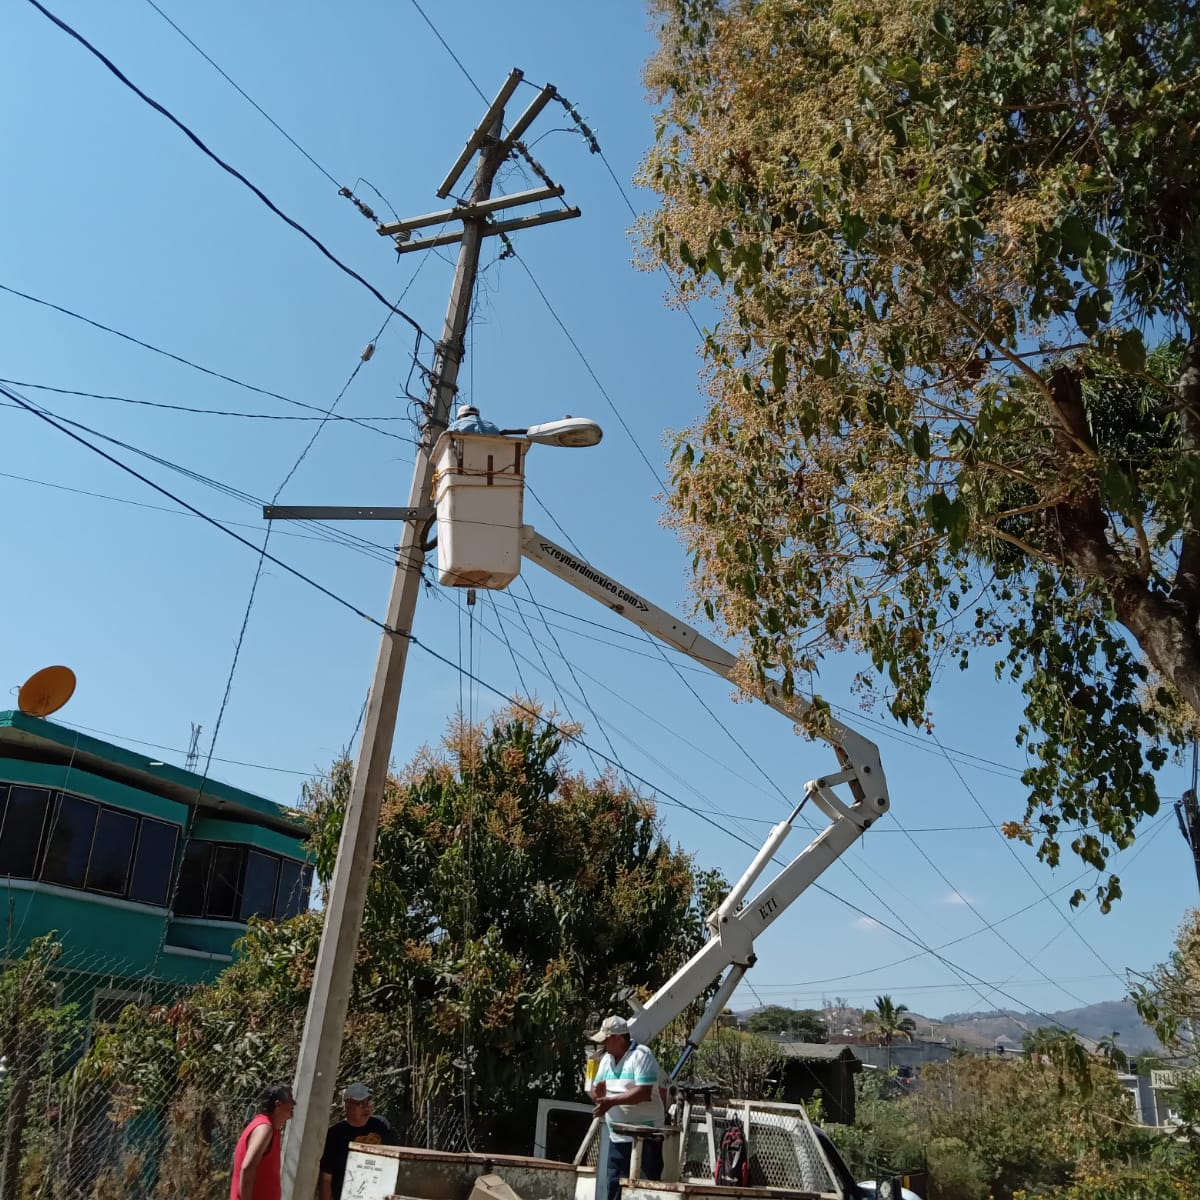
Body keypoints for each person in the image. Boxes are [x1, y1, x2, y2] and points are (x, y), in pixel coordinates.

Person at [588, 1015, 665, 1200]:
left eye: (606, 1040)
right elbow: (596, 1091)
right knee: (614, 1186)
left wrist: (610, 1102)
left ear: (618, 1038)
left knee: (645, 1190)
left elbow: (643, 1093)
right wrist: (598, 1097)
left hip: (647, 1137)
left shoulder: (641, 1055)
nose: (603, 1045)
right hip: (618, 1137)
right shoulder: (606, 1060)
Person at [319, 1081, 399, 1200]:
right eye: (360, 1103)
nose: (366, 1107)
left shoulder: (382, 1126)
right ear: (348, 1105)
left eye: (368, 1102)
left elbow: (396, 1160)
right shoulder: (335, 1135)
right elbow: (326, 1178)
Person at [230, 1082, 295, 1200]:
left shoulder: (270, 1128)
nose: (294, 1103)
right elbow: (247, 1167)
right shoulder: (264, 1128)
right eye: (290, 1100)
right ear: (278, 1105)